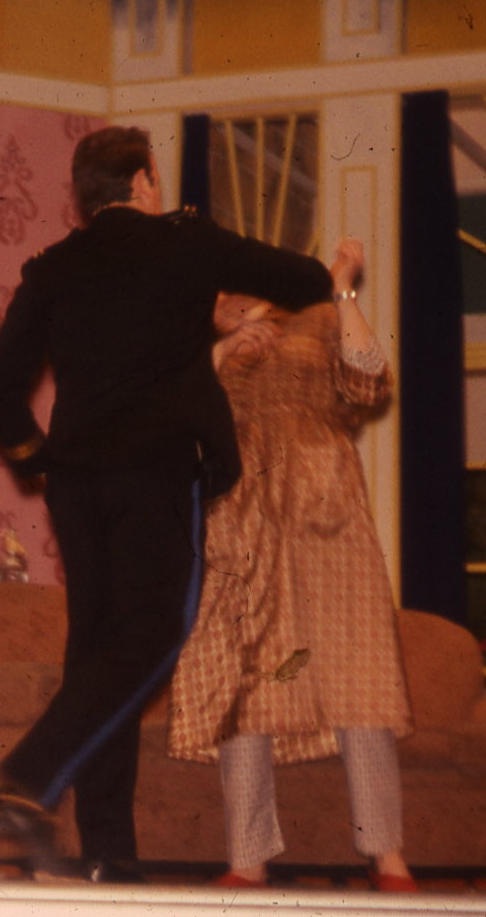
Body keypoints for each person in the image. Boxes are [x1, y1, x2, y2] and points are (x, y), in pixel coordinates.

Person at [0, 125, 333, 881]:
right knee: (150, 639)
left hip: (76, 485)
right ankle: (28, 777)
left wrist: (38, 461)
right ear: (141, 182)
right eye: (156, 178)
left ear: (86, 198)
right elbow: (304, 278)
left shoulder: (53, 269)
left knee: (98, 654)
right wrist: (235, 302)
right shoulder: (186, 244)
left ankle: (108, 858)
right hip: (155, 474)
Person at [167, 238, 417, 891]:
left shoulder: (320, 311)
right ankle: (248, 858)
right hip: (241, 510)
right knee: (244, 678)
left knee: (359, 673)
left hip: (324, 503)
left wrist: (342, 289)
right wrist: (223, 347)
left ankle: (387, 856)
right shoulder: (200, 325)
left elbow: (368, 381)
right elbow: (169, 412)